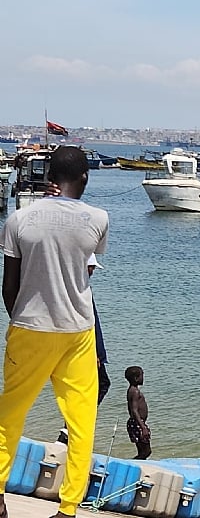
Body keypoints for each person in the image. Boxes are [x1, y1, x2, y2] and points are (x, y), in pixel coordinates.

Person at [0, 145, 108, 518]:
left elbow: (8, 285)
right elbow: (84, 273)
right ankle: (69, 508)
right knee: (81, 424)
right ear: (85, 177)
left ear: (47, 176)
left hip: (30, 326)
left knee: (10, 415)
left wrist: (22, 321)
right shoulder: (98, 218)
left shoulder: (20, 219)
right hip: (78, 330)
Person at [57, 253, 110, 445]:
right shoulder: (80, 290)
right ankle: (70, 426)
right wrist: (94, 352)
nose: (93, 271)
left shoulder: (75, 287)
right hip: (88, 348)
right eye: (91, 268)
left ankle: (70, 426)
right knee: (100, 384)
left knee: (89, 387)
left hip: (87, 346)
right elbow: (87, 321)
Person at [124, 366, 151, 460]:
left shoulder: (132, 390)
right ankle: (133, 463)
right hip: (137, 424)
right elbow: (134, 410)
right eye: (142, 375)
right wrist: (143, 427)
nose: (143, 377)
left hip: (136, 423)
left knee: (142, 451)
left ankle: (139, 464)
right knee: (146, 451)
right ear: (136, 378)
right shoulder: (134, 392)